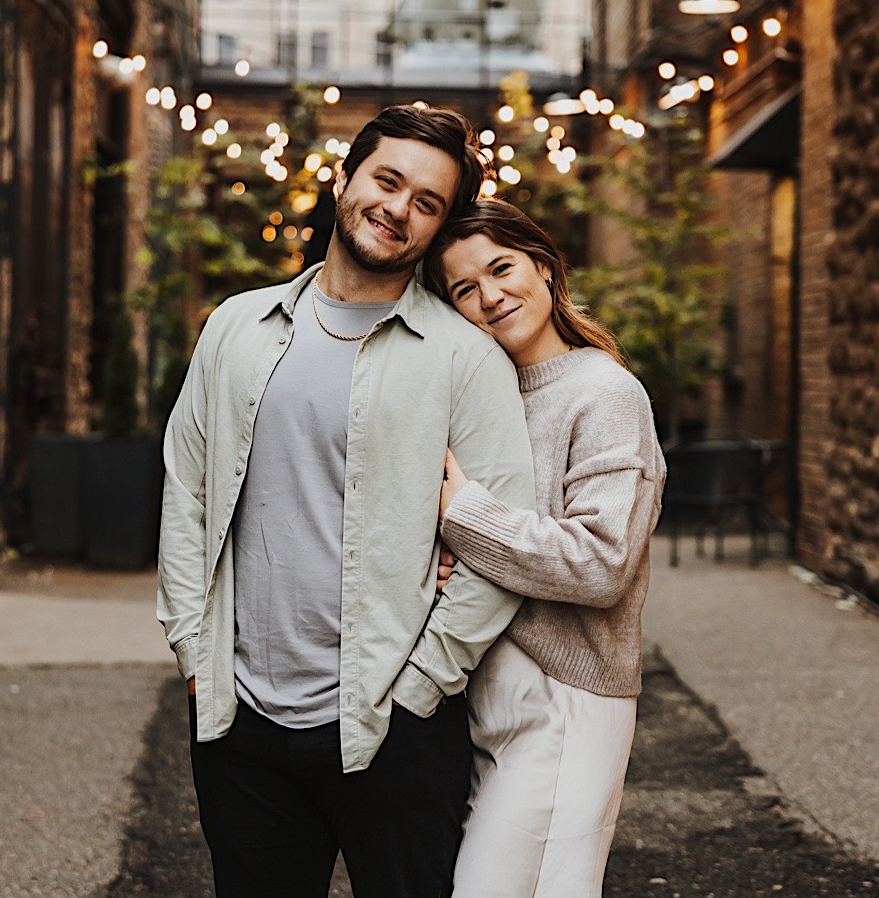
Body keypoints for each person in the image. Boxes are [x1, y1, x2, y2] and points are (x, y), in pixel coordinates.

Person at [155, 105, 538, 898]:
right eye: (387, 181)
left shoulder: (465, 360)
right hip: (242, 726)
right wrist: (196, 655)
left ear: (436, 228)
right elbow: (186, 493)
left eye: (426, 202)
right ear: (345, 179)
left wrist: (419, 689)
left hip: (394, 731)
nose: (399, 208)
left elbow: (498, 547)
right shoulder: (236, 329)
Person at [421, 198, 666, 897]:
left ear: (545, 268)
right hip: (486, 694)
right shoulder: (486, 396)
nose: (489, 296)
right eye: (464, 289)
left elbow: (601, 562)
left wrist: (464, 518)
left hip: (568, 696)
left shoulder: (605, 392)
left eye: (501, 269)